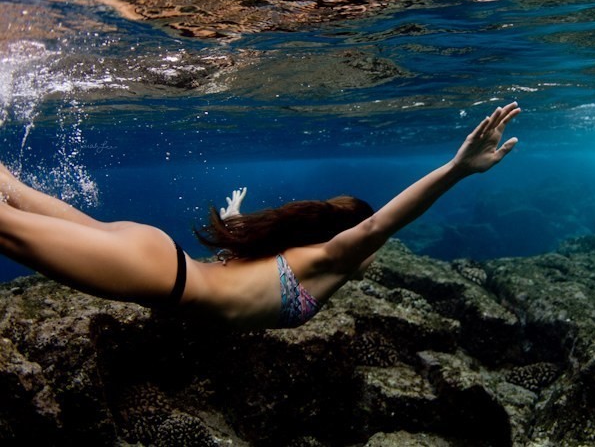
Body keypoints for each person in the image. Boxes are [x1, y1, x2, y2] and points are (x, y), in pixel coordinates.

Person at [0, 102, 520, 329]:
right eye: (368, 244)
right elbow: (382, 223)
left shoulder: (290, 255)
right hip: (155, 272)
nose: (377, 252)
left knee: (14, 193)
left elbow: (249, 277)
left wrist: (240, 220)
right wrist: (457, 170)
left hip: (155, 258)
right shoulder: (328, 262)